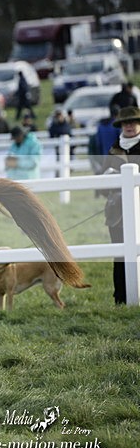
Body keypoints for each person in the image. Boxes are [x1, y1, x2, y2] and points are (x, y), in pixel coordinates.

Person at [102, 106, 140, 305]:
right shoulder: (113, 148)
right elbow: (102, 180)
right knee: (119, 256)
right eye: (126, 123)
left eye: (133, 122)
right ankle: (120, 298)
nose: (130, 126)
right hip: (117, 212)